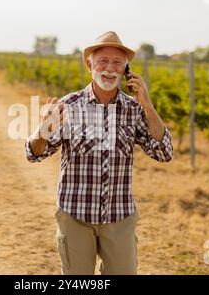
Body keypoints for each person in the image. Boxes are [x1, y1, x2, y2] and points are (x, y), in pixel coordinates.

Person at [25, 31, 173, 275]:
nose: (109, 68)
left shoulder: (135, 110)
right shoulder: (68, 106)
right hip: (75, 215)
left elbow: (164, 152)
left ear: (126, 69)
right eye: (103, 61)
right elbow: (33, 154)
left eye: (117, 63)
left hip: (119, 217)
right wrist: (41, 132)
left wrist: (147, 104)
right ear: (89, 64)